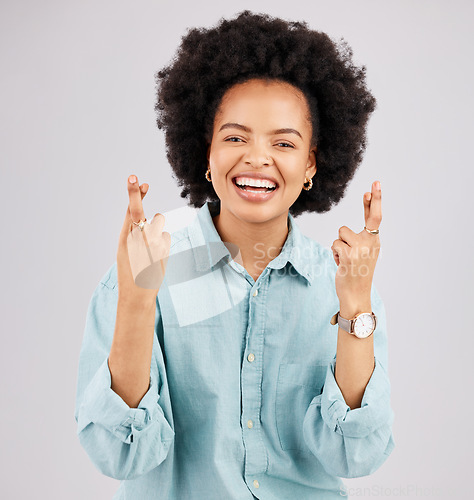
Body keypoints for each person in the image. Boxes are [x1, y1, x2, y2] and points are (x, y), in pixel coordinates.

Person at [74, 10, 395, 499]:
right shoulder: (148, 270)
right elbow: (120, 455)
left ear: (311, 162)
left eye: (283, 143)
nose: (257, 158)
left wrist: (354, 306)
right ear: (206, 152)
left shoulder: (344, 283)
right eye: (235, 137)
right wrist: (138, 300)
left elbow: (354, 456)